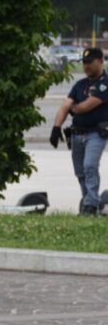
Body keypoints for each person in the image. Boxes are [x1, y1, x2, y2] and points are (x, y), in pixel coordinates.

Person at [51, 46, 107, 216]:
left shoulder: (105, 83)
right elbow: (64, 106)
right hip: (77, 134)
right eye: (84, 63)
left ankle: (91, 204)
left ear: (100, 61)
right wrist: (56, 128)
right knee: (80, 171)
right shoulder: (80, 84)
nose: (86, 66)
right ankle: (88, 202)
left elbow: (87, 106)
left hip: (96, 133)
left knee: (90, 166)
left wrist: (73, 108)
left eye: (89, 62)